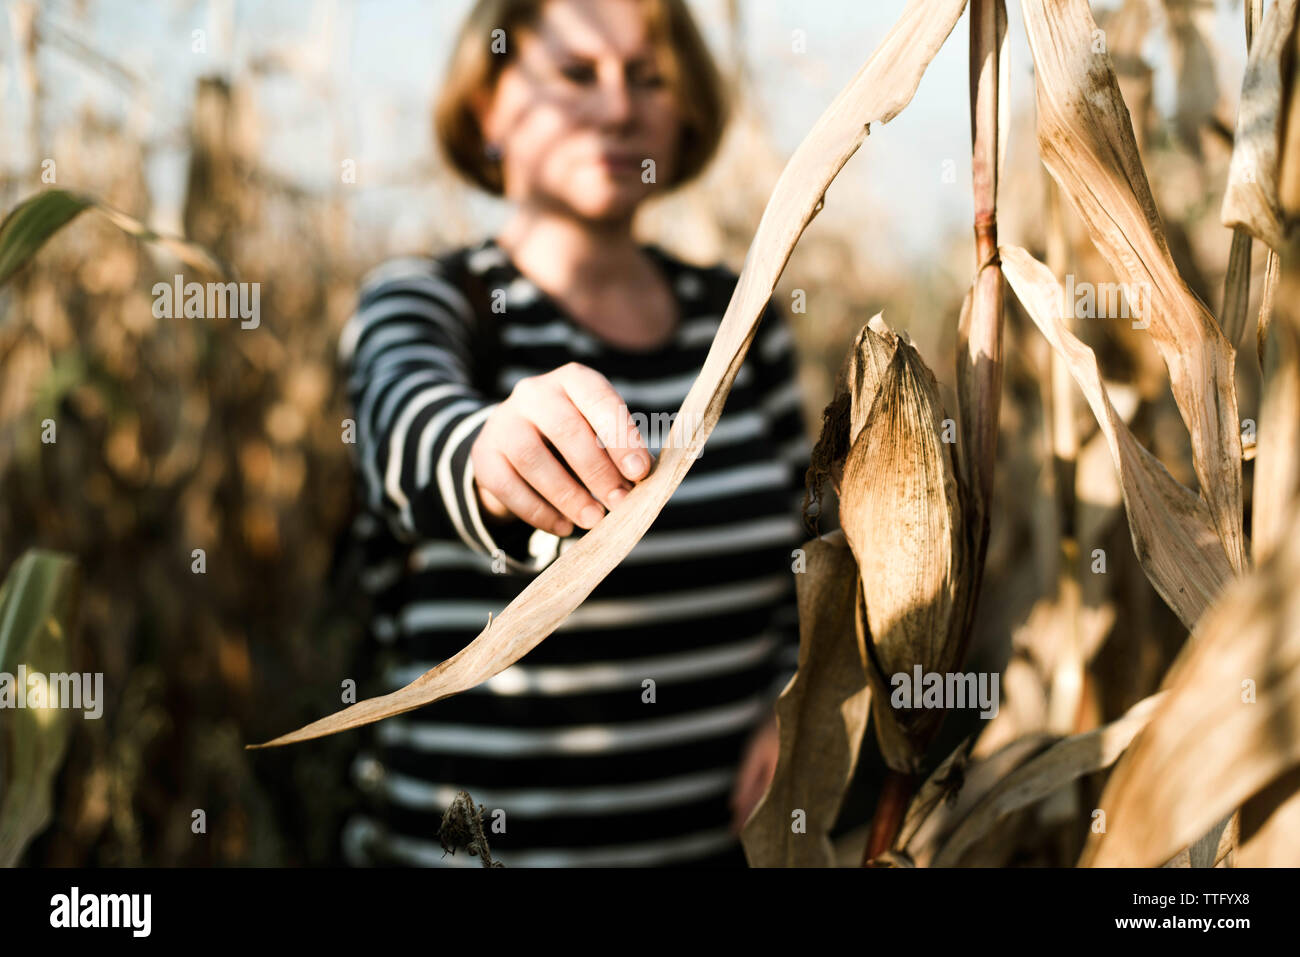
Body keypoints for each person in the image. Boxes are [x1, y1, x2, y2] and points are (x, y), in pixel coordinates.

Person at [337, 0, 811, 867]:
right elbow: (403, 429)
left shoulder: (743, 321)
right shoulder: (428, 299)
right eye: (575, 74)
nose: (618, 105)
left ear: (687, 114)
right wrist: (488, 452)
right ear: (488, 105)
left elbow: (808, 555)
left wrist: (801, 705)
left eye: (648, 77)